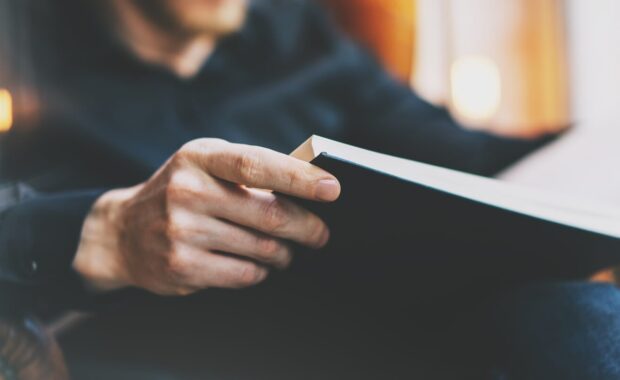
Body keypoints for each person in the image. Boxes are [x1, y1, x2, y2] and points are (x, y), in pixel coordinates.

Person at [1, 0, 619, 378]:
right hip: (178, 355)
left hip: (388, 337)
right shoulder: (21, 52)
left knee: (582, 318)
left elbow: (469, 156)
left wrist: (594, 154)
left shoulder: (298, 37)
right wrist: (106, 231)